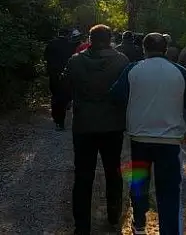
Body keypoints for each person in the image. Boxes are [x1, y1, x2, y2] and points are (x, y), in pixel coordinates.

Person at [111, 33, 186, 235]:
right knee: (169, 190)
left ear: (144, 48)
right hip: (170, 141)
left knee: (140, 183)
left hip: (139, 138)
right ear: (166, 49)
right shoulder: (180, 71)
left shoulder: (133, 69)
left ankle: (140, 224)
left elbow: (116, 95)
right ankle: (169, 230)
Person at [61, 24, 130, 235]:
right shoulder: (122, 61)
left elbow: (64, 88)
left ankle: (81, 226)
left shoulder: (75, 61)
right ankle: (113, 214)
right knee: (113, 170)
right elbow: (127, 91)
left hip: (84, 126)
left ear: (90, 39)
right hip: (112, 126)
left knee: (83, 175)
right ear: (109, 39)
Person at [44, 28, 76, 130]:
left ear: (58, 33)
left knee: (55, 95)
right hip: (66, 74)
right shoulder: (71, 45)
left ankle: (55, 116)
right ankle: (60, 120)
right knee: (63, 96)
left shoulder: (51, 44)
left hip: (53, 74)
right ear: (67, 35)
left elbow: (46, 57)